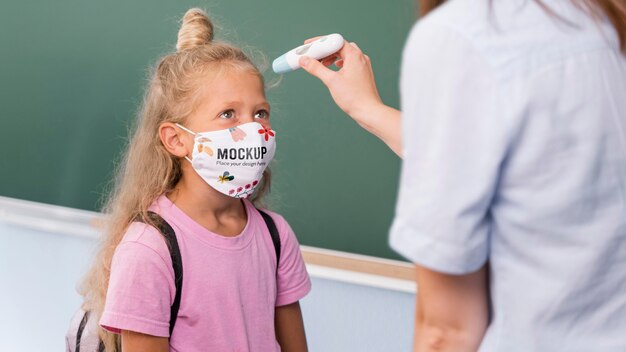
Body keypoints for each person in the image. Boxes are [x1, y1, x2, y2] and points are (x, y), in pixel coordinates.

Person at [300, 0, 626, 350]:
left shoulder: (464, 34)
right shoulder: (603, 19)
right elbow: (518, 161)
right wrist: (368, 109)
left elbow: (448, 330)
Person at [77, 8, 310, 352]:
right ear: (176, 139)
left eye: (259, 113)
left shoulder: (275, 235)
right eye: (228, 114)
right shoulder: (150, 249)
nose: (253, 130)